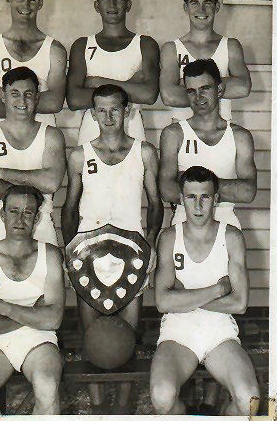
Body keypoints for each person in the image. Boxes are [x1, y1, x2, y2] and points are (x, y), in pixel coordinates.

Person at [62, 84, 163, 414]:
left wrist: (151, 241)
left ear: (128, 111)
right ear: (92, 114)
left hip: (132, 251)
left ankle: (122, 407)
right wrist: (68, 251)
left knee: (128, 334)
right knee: (90, 331)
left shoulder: (144, 152)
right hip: (88, 252)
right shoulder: (80, 155)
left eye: (115, 109)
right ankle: (96, 405)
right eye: (101, 110)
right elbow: (69, 207)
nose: (108, 116)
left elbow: (156, 202)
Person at [150, 166, 260, 416]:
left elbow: (240, 304)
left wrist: (184, 296)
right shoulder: (169, 238)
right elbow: (162, 303)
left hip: (219, 330)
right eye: (191, 197)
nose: (198, 206)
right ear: (181, 200)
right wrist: (218, 289)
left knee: (251, 401)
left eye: (205, 197)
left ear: (216, 199)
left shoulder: (231, 236)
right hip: (178, 330)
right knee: (162, 396)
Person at [0, 185, 66, 415]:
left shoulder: (49, 255)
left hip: (39, 340)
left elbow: (53, 320)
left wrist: (2, 307)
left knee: (47, 388)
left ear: (37, 217)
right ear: (2, 215)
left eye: (28, 212)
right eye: (13, 211)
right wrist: (32, 315)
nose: (20, 219)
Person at [0, 66, 66, 246]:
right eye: (15, 93)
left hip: (40, 222)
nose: (22, 100)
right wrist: (34, 185)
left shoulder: (51, 135)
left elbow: (51, 183)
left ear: (37, 98)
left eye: (28, 94)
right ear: (3, 96)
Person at [159, 58, 257, 230]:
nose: (198, 97)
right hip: (184, 220)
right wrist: (226, 187)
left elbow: (248, 192)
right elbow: (167, 191)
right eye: (191, 91)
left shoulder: (239, 137)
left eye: (205, 88)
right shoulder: (173, 134)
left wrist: (187, 180)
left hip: (226, 221)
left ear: (219, 89)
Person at [67, 0, 160, 143]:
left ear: (128, 5)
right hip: (92, 131)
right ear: (97, 5)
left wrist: (97, 82)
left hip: (132, 129)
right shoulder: (82, 45)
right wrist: (132, 85)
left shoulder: (145, 44)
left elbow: (149, 94)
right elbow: (74, 100)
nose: (112, 4)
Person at [160, 0, 251, 122]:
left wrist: (187, 85)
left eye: (207, 3)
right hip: (182, 131)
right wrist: (216, 86)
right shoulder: (171, 48)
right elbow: (169, 96)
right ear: (186, 7)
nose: (201, 9)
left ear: (217, 7)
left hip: (221, 131)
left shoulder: (230, 46)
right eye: (194, 3)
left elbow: (243, 87)